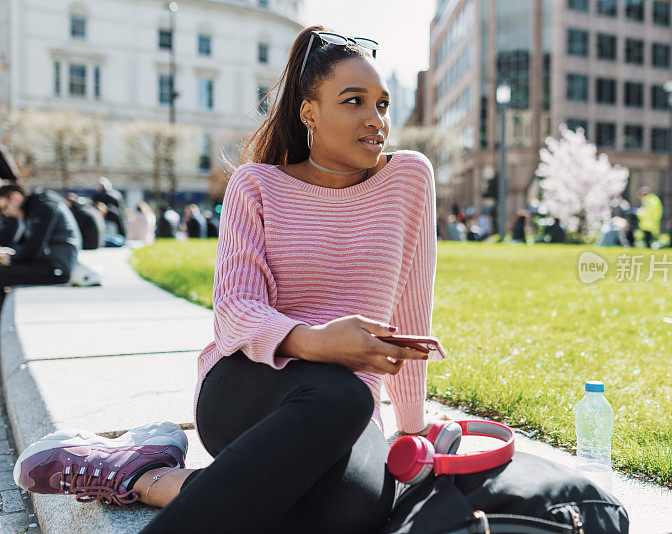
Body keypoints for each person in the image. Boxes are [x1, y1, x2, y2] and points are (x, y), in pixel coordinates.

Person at [14, 25, 442, 533]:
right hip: (248, 386)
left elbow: (412, 313)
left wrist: (412, 430)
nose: (376, 121)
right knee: (341, 391)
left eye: (383, 105)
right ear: (309, 112)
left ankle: (144, 477)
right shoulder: (256, 185)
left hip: (347, 411)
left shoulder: (409, 178)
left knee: (356, 510)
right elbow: (236, 313)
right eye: (355, 102)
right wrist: (320, 343)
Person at [0, 184, 82, 306]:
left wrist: (10, 259)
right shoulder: (36, 205)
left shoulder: (43, 206)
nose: (6, 213)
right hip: (52, 262)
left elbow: (34, 247)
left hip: (57, 268)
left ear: (15, 197)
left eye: (5, 207)